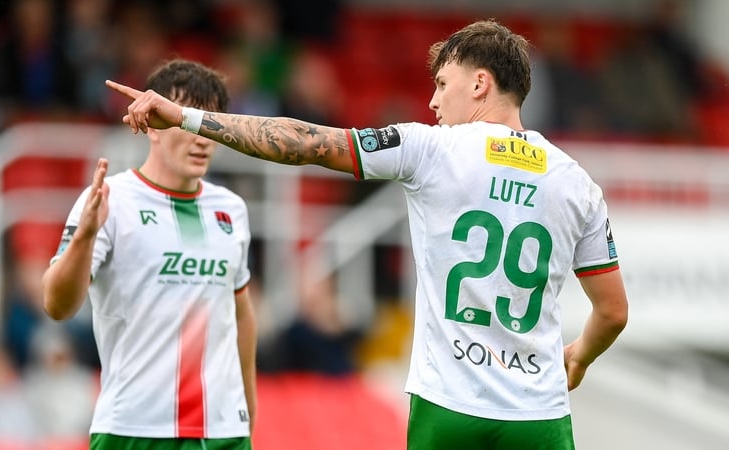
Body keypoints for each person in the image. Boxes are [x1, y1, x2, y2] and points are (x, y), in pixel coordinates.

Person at [106, 19, 629, 450]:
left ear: (480, 84)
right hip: (539, 415)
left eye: (442, 85)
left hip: (449, 409)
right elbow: (613, 312)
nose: (432, 103)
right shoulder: (576, 184)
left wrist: (187, 118)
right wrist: (578, 354)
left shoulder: (430, 149)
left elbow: (304, 142)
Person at [42, 59, 257, 450]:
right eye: (186, 120)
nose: (202, 137)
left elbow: (241, 316)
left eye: (209, 123)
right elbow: (57, 305)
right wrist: (85, 237)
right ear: (152, 123)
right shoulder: (111, 201)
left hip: (224, 431)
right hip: (133, 430)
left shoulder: (232, 209)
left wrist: (248, 412)